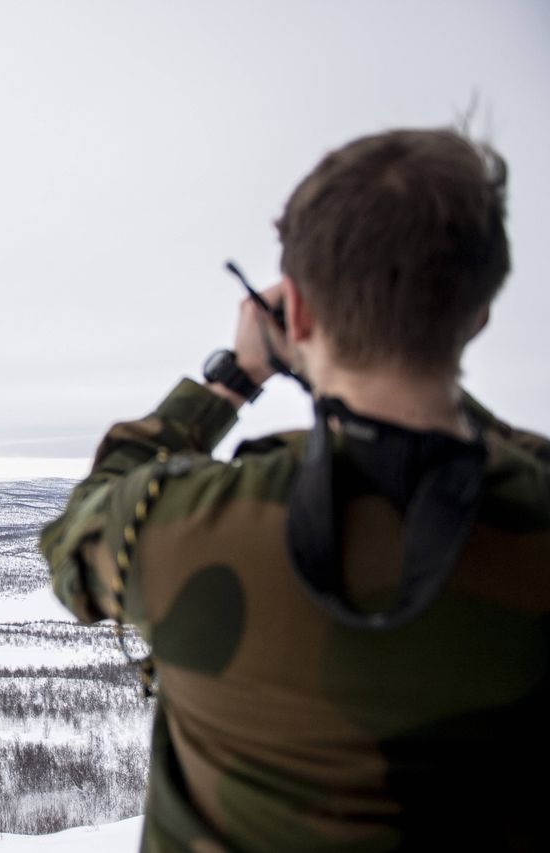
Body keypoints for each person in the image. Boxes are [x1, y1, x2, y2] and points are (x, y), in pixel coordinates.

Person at [40, 127, 549, 852]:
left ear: (298, 313)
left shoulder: (183, 525)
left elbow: (77, 531)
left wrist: (233, 378)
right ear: (478, 315)